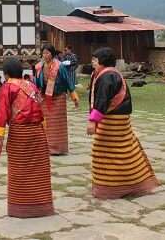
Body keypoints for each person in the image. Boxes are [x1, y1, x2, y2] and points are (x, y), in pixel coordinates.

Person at [88, 47, 158, 199]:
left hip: (112, 121)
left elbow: (102, 100)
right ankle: (133, 182)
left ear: (102, 61)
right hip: (121, 118)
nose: (92, 63)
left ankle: (110, 188)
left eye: (94, 60)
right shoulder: (112, 74)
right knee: (125, 149)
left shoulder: (107, 76)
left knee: (104, 152)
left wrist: (93, 121)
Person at [0, 57, 54, 218]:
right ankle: (42, 206)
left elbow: (2, 113)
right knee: (39, 171)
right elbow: (40, 105)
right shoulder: (31, 85)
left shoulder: (7, 87)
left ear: (5, 74)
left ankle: (22, 207)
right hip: (37, 132)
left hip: (20, 134)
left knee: (20, 170)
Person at [35, 45, 79, 155]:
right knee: (46, 123)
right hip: (45, 98)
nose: (45, 55)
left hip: (58, 97)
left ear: (52, 54)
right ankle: (47, 147)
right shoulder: (39, 67)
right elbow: (36, 83)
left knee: (58, 124)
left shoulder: (60, 66)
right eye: (44, 53)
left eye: (48, 53)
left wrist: (73, 95)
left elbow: (68, 80)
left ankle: (59, 148)